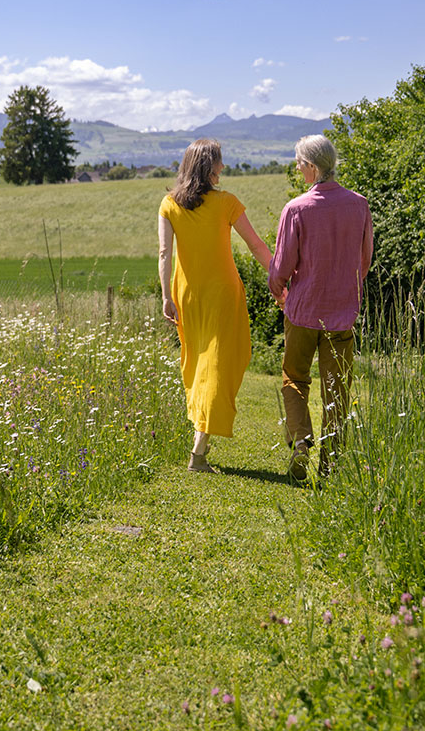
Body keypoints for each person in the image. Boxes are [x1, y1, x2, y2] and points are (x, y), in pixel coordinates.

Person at [158, 138, 274, 473]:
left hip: (186, 294)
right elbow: (255, 245)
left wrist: (167, 295)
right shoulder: (227, 203)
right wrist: (280, 277)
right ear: (210, 167)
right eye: (220, 162)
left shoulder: (169, 204)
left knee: (198, 362)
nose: (223, 167)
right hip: (222, 294)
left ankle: (201, 436)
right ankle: (199, 450)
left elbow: (165, 254)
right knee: (219, 363)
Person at [268, 134, 373, 480]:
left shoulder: (296, 209)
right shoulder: (359, 205)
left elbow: (282, 265)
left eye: (299, 163)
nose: (297, 168)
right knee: (336, 387)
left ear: (312, 167)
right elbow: (365, 259)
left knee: (295, 377)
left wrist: (279, 289)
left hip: (302, 310)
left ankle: (300, 441)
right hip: (343, 311)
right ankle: (330, 464)